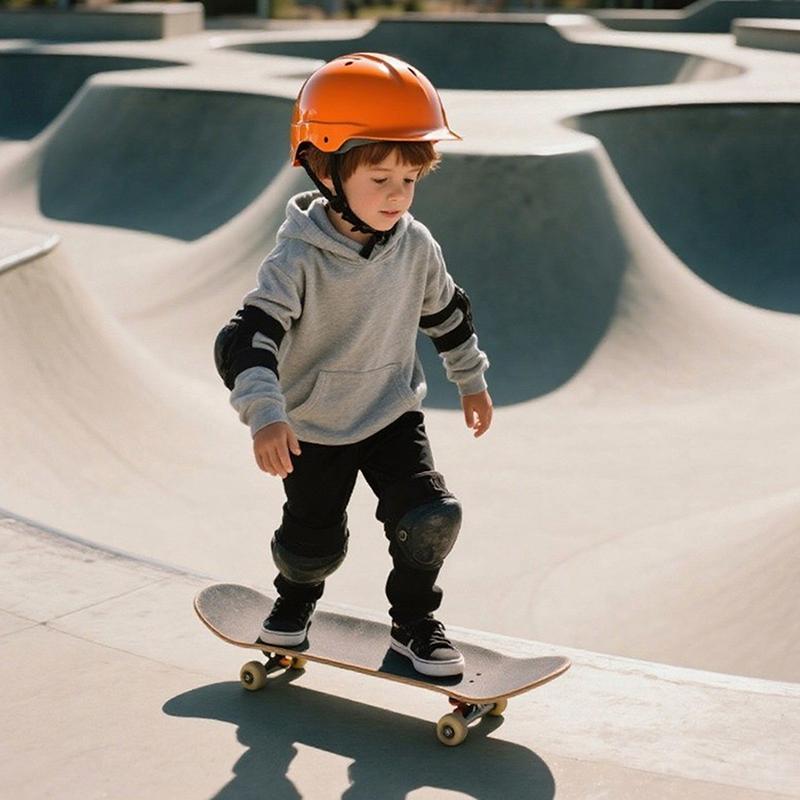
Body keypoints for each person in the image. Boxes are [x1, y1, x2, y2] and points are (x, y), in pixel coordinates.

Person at [215, 52, 492, 677]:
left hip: (392, 410)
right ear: (325, 170)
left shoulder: (416, 245)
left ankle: (415, 627)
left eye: (410, 180)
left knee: (428, 519)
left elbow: (446, 312)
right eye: (380, 180)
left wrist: (470, 380)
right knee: (310, 544)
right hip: (312, 425)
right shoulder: (297, 260)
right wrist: (265, 415)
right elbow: (250, 338)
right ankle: (294, 604)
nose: (398, 196)